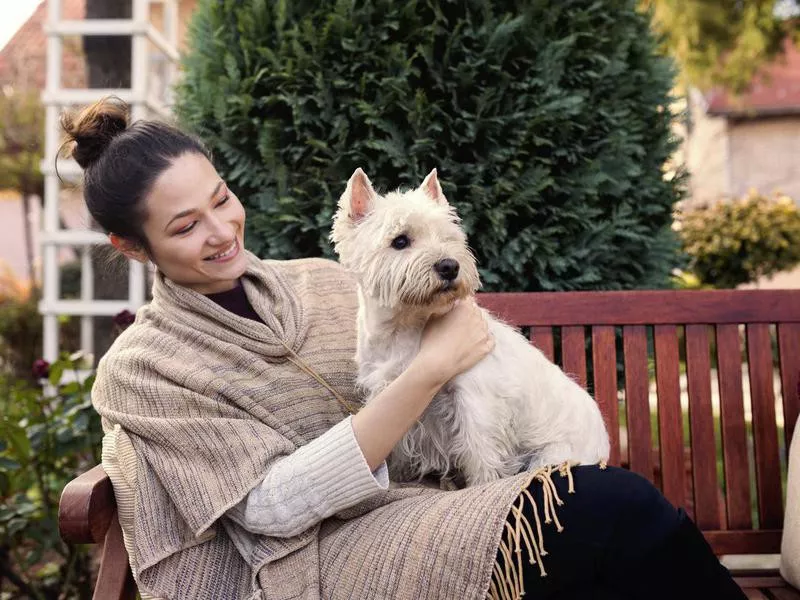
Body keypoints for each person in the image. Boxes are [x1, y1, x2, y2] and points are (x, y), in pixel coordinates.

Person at [62, 97, 746, 600]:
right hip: (310, 565)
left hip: (428, 508)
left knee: (603, 533)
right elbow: (269, 509)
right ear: (131, 246)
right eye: (186, 225)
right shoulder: (146, 368)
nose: (221, 230)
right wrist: (430, 369)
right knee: (612, 509)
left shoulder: (327, 284)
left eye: (222, 198)